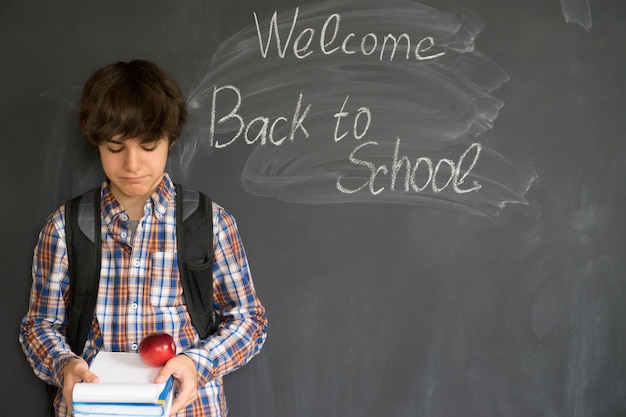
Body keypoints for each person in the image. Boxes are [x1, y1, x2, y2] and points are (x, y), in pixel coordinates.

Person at [19, 59, 268, 417]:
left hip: (190, 409)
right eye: (115, 149)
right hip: (93, 409)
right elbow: (39, 326)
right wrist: (64, 365)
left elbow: (249, 320)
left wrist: (197, 363)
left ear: (170, 140)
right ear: (97, 144)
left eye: (148, 146)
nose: (132, 165)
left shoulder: (210, 222)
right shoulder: (64, 227)